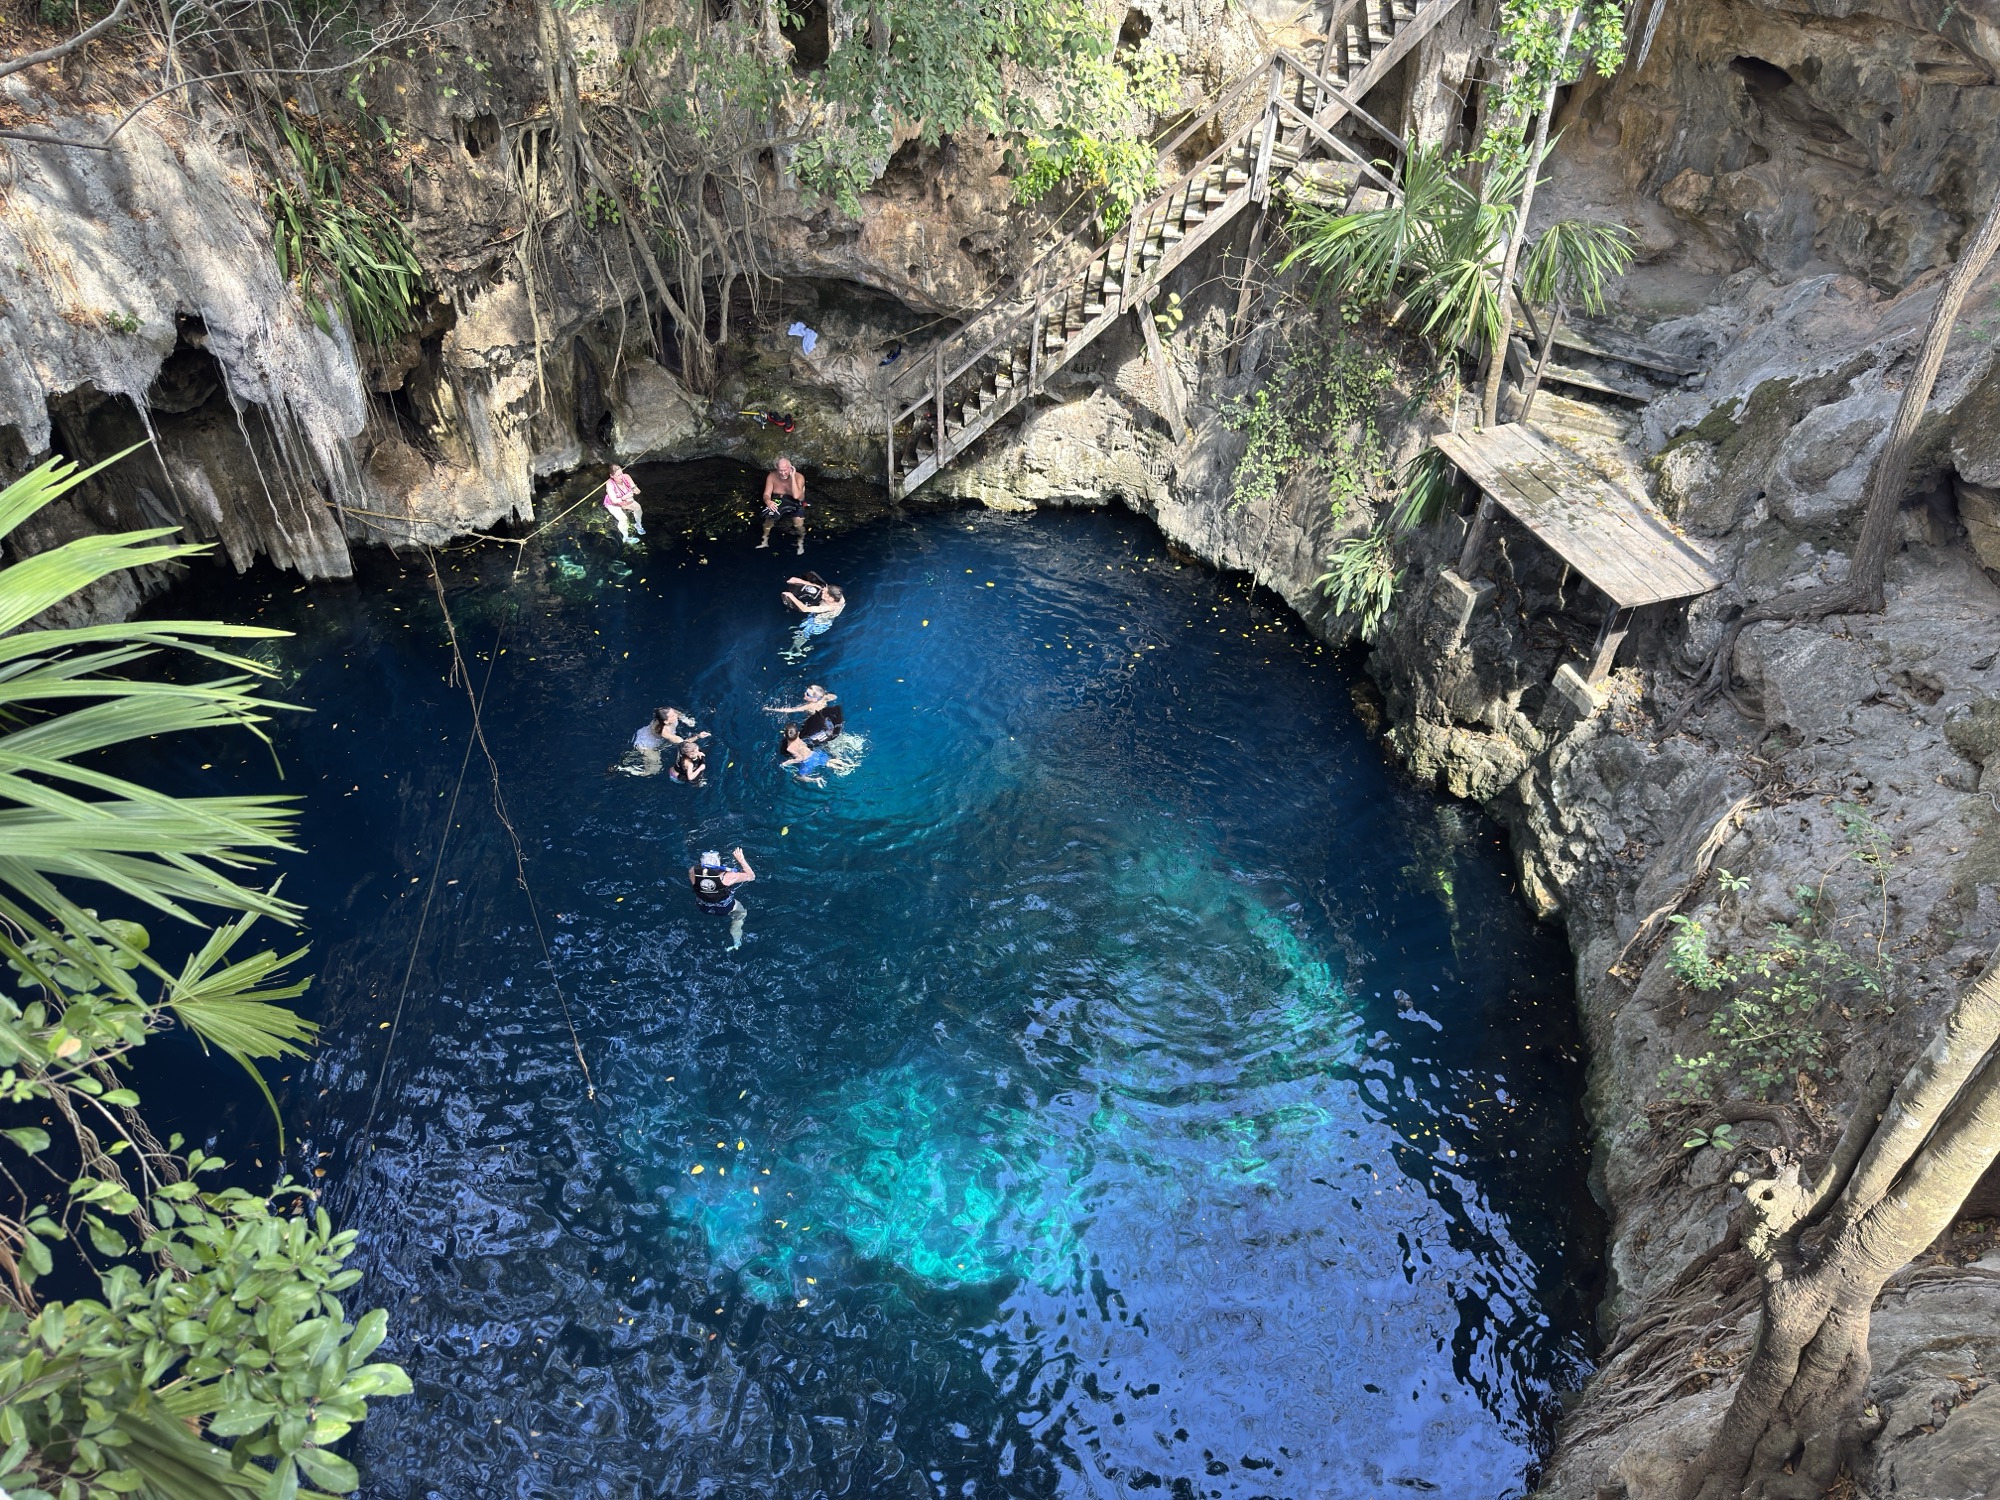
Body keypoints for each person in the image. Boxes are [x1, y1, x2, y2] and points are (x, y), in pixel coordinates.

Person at [688, 848, 754, 949]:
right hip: (726, 908)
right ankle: (736, 941)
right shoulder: (727, 877)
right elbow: (751, 876)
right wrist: (741, 860)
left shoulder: (692, 872)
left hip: (703, 907)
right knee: (740, 915)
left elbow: (702, 871)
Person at [625, 706, 707, 777]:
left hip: (645, 732)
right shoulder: (665, 733)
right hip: (647, 745)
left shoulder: (664, 715)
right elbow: (684, 744)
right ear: (666, 722)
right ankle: (624, 769)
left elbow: (675, 711)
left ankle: (631, 755)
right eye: (673, 715)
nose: (676, 715)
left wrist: (685, 719)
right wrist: (698, 736)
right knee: (654, 770)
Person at [781, 572, 846, 647]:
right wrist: (800, 581)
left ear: (830, 599)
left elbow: (804, 609)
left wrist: (791, 596)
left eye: (824, 593)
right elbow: (823, 588)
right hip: (820, 614)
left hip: (818, 624)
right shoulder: (839, 596)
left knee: (802, 634)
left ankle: (795, 650)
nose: (822, 591)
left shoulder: (826, 608)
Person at [765, 684, 843, 746]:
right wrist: (824, 696)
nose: (804, 694)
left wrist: (770, 709)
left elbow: (789, 710)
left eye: (808, 694)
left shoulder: (809, 706)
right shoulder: (824, 698)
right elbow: (834, 697)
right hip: (827, 722)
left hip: (816, 724)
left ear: (814, 699)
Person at [758, 457, 807, 553]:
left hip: (796, 501)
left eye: (785, 470)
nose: (783, 473)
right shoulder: (772, 476)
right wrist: (768, 501)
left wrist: (792, 476)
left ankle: (800, 542)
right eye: (780, 471)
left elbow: (796, 496)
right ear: (777, 468)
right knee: (768, 519)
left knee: (798, 524)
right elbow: (766, 494)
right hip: (779, 499)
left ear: (791, 468)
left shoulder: (799, 477)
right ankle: (765, 540)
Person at [602, 465, 644, 544]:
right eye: (618, 475)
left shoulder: (626, 476)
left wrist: (636, 490)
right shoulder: (609, 484)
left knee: (638, 508)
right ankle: (626, 537)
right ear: (612, 476)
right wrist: (624, 498)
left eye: (621, 473)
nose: (621, 476)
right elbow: (614, 500)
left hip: (625, 500)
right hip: (613, 504)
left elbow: (633, 487)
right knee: (623, 519)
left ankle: (638, 525)